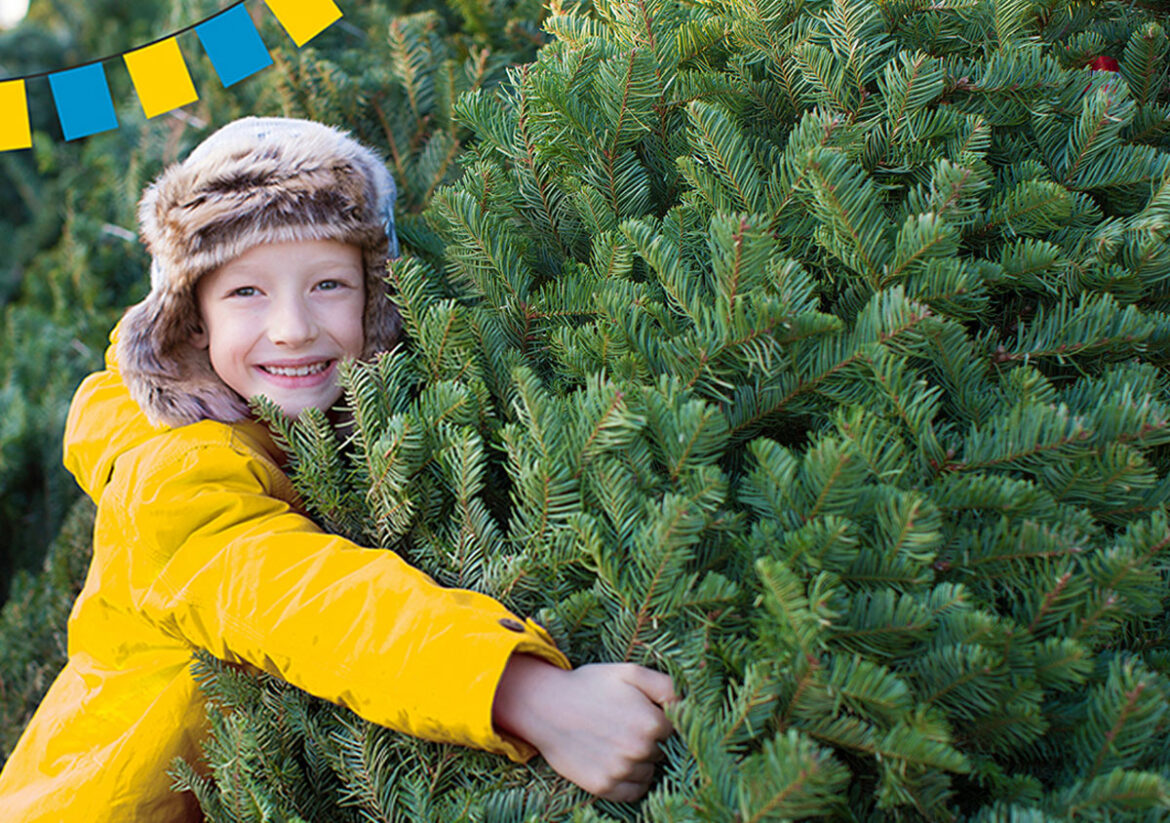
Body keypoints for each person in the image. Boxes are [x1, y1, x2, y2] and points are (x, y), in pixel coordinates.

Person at [0, 117, 676, 821]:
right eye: (246, 292)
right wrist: (524, 693)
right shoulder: (171, 469)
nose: (293, 327)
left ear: (376, 300)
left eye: (328, 284)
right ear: (191, 319)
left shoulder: (281, 423)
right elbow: (301, 598)